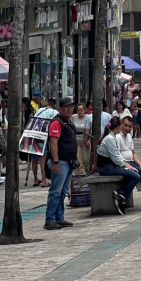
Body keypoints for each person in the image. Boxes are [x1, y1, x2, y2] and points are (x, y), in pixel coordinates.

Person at [44, 98, 79, 230]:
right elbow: (53, 143)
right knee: (56, 191)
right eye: (66, 107)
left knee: (63, 191)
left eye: (71, 107)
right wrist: (56, 162)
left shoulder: (67, 122)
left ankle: (59, 218)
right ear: (60, 109)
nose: (69, 109)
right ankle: (50, 219)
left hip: (69, 162)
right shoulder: (57, 123)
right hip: (61, 162)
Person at [96, 117, 139, 214]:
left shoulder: (112, 137)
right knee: (135, 176)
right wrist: (125, 165)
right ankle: (121, 195)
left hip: (111, 165)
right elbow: (115, 157)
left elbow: (118, 155)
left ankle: (121, 195)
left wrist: (126, 164)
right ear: (118, 126)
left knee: (134, 173)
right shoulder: (110, 139)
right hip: (106, 168)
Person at [32, 98, 58, 187]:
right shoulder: (54, 112)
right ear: (54, 105)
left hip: (33, 134)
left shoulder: (39, 110)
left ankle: (35, 179)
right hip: (43, 136)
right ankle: (44, 180)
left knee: (34, 159)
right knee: (43, 158)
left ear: (47, 103)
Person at [71, 103, 91, 172]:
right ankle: (79, 174)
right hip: (76, 140)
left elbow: (89, 129)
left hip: (85, 140)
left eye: (81, 110)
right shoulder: (73, 117)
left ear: (85, 110)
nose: (79, 112)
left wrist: (88, 140)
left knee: (86, 159)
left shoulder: (88, 117)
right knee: (78, 159)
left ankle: (87, 172)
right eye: (78, 110)